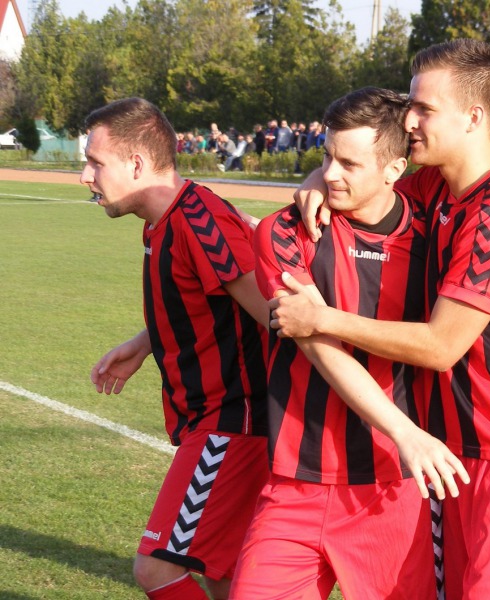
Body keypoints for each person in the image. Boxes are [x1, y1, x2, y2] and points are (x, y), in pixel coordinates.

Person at [272, 38, 490, 600]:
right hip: (457, 459)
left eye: (424, 108)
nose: (409, 120)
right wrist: (319, 180)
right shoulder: (436, 186)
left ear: (474, 118)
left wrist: (323, 320)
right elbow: (366, 177)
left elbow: (442, 345)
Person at [230, 86, 467, 600]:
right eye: (326, 157)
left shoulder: (435, 242)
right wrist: (406, 432)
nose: (332, 173)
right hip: (295, 484)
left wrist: (407, 440)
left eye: (349, 164)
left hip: (392, 489)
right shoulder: (284, 233)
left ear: (394, 169)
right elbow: (318, 347)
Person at [81, 97, 270, 600]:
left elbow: (276, 318)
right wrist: (146, 343)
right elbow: (207, 300)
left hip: (233, 422)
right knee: (223, 573)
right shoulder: (161, 221)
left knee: (157, 567)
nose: (85, 175)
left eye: (96, 162)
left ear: (137, 164)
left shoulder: (201, 222)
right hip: (211, 420)